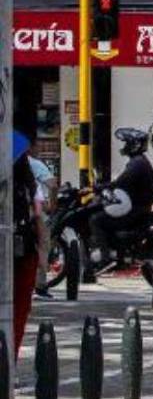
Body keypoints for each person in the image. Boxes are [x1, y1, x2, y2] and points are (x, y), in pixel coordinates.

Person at [89, 128, 153, 270]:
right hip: (137, 208)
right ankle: (114, 255)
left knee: (96, 220)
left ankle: (105, 258)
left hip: (135, 211)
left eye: (127, 143)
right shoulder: (138, 162)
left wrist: (100, 187)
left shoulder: (137, 164)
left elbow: (121, 182)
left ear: (134, 145)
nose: (124, 146)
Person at [11, 132, 42, 350]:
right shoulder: (17, 149)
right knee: (18, 312)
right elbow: (38, 212)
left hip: (22, 248)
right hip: (23, 246)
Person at [29, 155, 57, 299]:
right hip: (34, 211)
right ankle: (39, 286)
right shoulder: (32, 163)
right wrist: (52, 206)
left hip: (9, 212)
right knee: (42, 245)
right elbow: (52, 184)